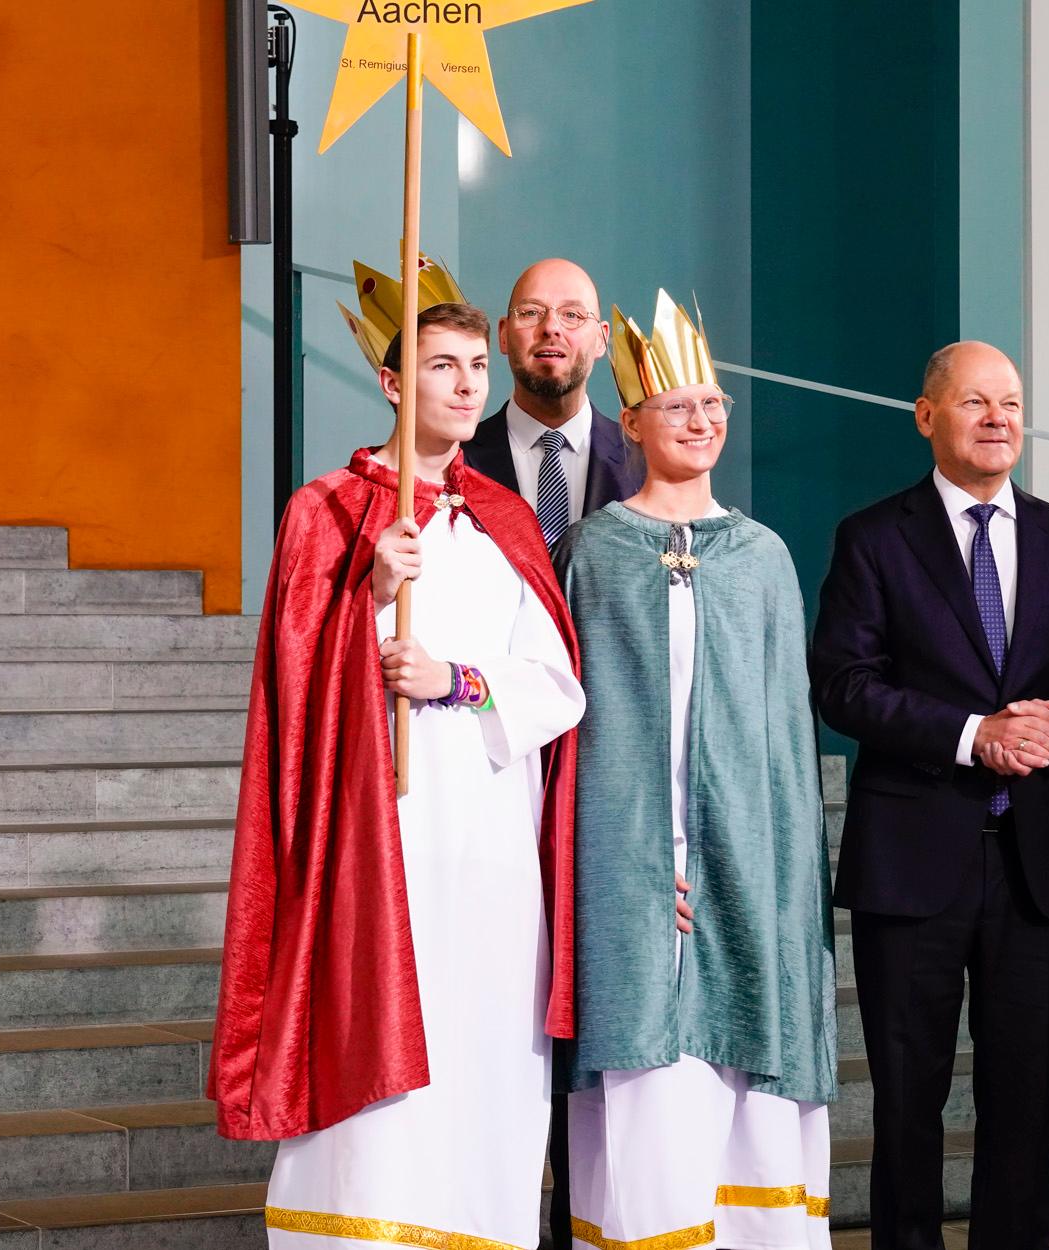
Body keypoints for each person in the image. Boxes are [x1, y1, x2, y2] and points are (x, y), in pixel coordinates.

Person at [212, 295, 587, 1250]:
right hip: (379, 839)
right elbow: (291, 691)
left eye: (475, 368)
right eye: (440, 367)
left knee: (484, 1048)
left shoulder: (501, 517)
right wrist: (367, 594)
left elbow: (558, 689)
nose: (467, 385)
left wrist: (456, 681)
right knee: (376, 1029)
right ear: (390, 384)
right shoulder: (326, 512)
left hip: (492, 845)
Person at [808, 341, 1049, 1250]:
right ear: (927, 416)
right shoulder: (873, 536)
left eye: (1013, 404)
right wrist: (971, 734)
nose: (998, 419)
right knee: (908, 1098)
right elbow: (842, 681)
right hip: (910, 861)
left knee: (1023, 1098)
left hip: (1029, 861)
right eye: (976, 402)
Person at [558, 291, 837, 1250]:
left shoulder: (763, 557)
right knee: (651, 1124)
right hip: (637, 878)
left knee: (745, 1121)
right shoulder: (590, 553)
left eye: (713, 403)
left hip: (747, 878)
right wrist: (629, 865)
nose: (702, 420)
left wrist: (765, 878)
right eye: (678, 405)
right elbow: (583, 737)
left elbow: (783, 753)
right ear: (629, 421)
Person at [461, 257, 647, 548]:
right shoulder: (455, 461)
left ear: (601, 339)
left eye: (572, 315)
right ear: (503, 335)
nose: (551, 328)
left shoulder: (645, 461)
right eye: (531, 312)